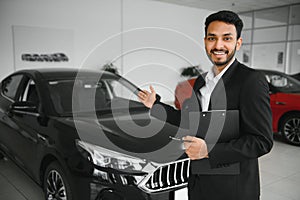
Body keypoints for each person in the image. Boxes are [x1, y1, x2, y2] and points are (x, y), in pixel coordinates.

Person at [138, 10, 273, 200]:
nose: (218, 45)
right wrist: (155, 105)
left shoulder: (250, 80)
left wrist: (208, 150)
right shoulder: (201, 82)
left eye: (227, 38)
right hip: (198, 183)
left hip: (232, 190)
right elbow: (189, 121)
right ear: (205, 41)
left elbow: (261, 141)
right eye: (212, 38)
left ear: (238, 43)